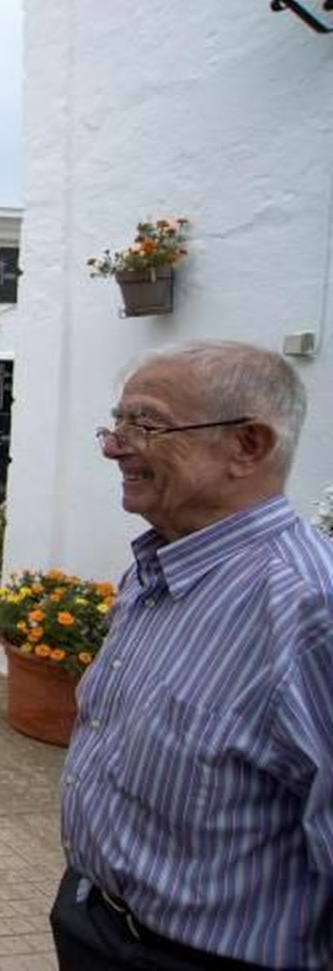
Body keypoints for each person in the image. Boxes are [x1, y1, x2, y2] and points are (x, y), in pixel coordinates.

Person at [53, 340, 332, 969]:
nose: (113, 445)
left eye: (144, 424)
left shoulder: (310, 612)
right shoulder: (156, 567)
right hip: (93, 919)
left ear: (248, 447)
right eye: (116, 422)